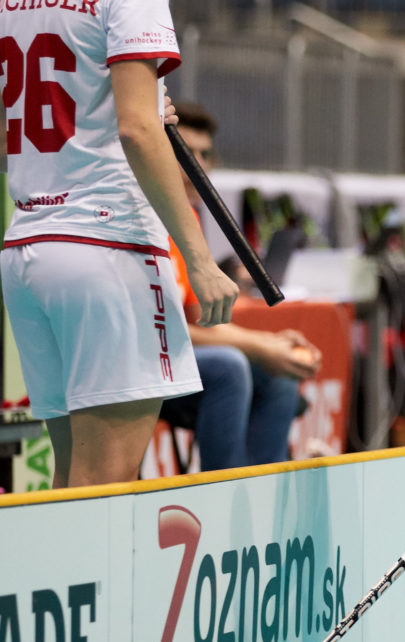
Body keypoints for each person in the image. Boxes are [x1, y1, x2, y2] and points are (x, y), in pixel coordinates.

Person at [0, 0, 238, 489]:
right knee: (105, 490)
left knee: (69, 483)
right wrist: (199, 259)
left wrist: (128, 111)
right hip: (108, 246)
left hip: (28, 246)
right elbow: (136, 128)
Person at [158, 102, 320, 470]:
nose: (195, 163)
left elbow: (200, 321)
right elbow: (167, 332)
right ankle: (223, 499)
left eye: (204, 154)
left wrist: (271, 344)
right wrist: (257, 344)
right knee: (231, 365)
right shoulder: (146, 217)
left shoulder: (190, 222)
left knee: (278, 372)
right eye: (185, 151)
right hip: (144, 361)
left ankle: (262, 507)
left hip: (177, 357)